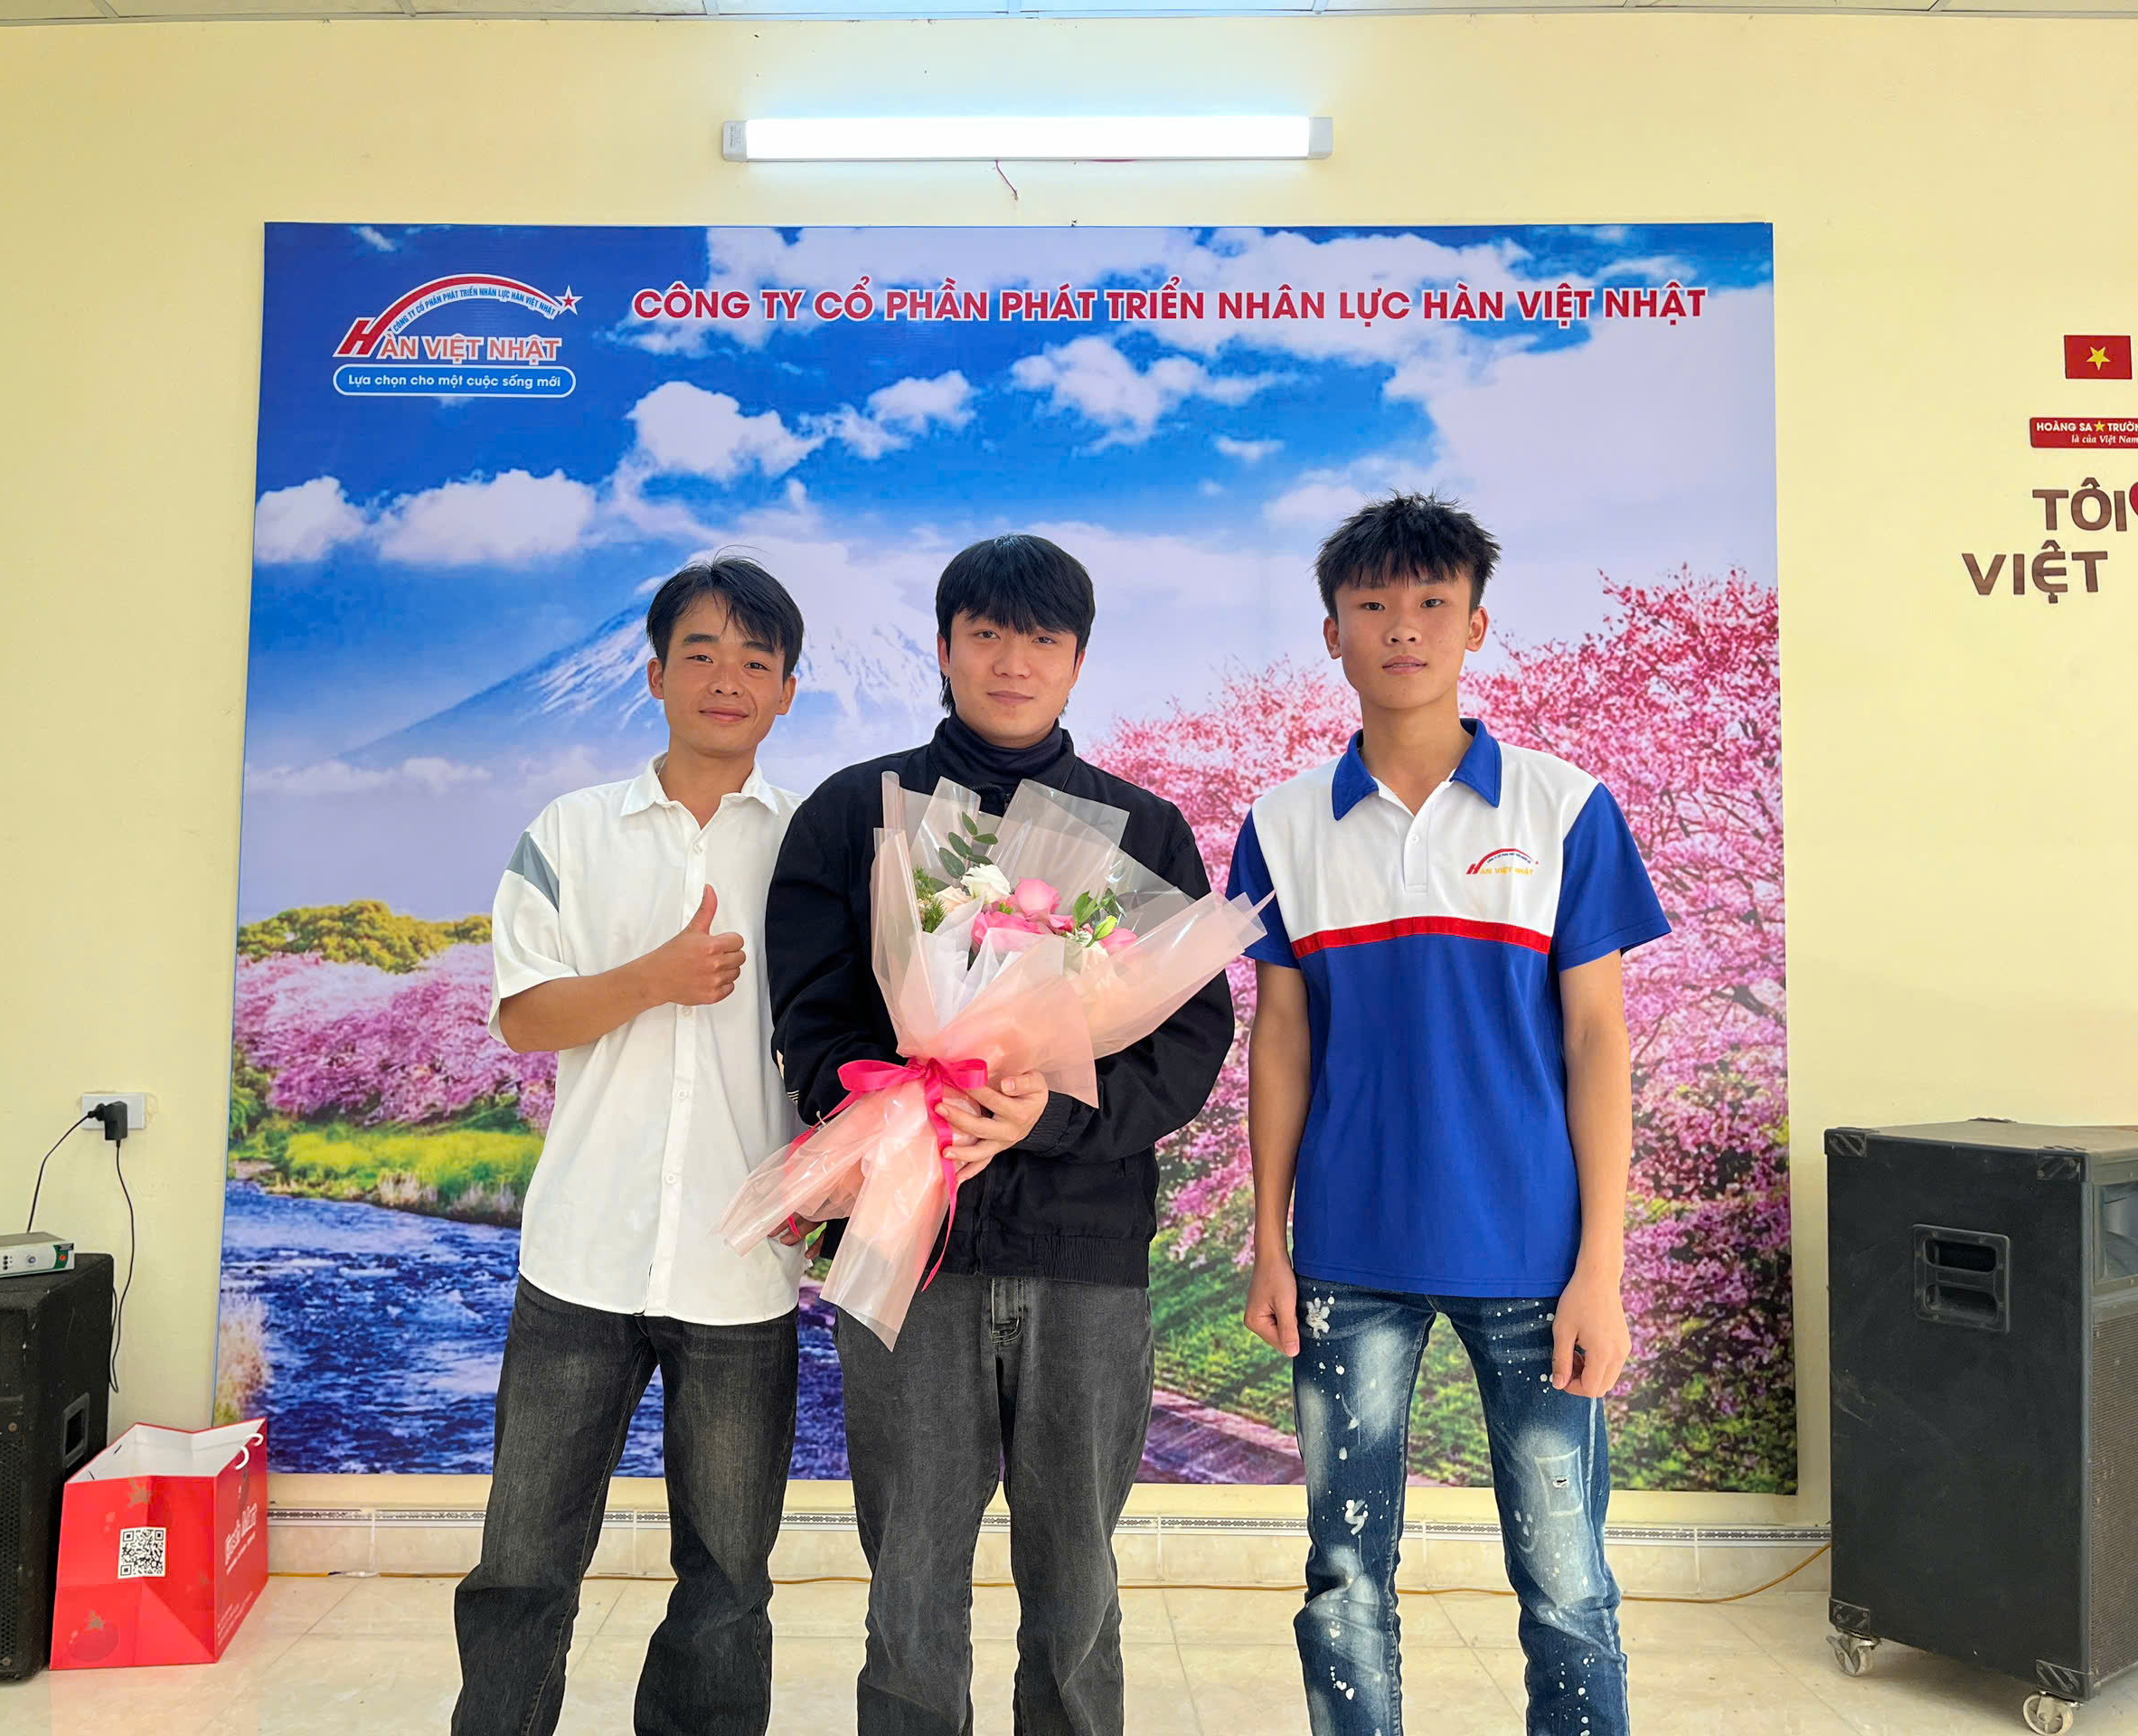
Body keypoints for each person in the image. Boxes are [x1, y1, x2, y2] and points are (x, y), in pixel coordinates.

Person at [767, 533, 1236, 1736]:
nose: (1012, 661)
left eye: (1042, 639)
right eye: (986, 634)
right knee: (911, 1582)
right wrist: (912, 1096)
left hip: (1086, 1255)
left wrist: (1049, 1112)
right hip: (910, 1251)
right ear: (944, 648)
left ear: (1078, 661)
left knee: (1076, 1586)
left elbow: (1188, 1043)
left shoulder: (1142, 830)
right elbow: (810, 1022)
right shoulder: (853, 814)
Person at [1229, 494, 1671, 1736]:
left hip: (1535, 1257)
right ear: (1332, 632)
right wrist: (1270, 1240)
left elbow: (1598, 1042)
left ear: (1476, 626)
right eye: (1373, 605)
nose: (1403, 629)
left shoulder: (1563, 808)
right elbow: (1280, 1038)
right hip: (1347, 1254)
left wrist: (1601, 1271)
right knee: (1343, 1576)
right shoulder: (1282, 827)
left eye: (1432, 603)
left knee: (1567, 1580)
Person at [452, 557, 808, 1736]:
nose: (726, 679)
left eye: (755, 660)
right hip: (582, 1257)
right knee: (523, 1563)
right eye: (700, 653)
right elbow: (522, 1016)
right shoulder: (569, 832)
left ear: (787, 692)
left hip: (741, 1263)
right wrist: (654, 977)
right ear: (655, 675)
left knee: (728, 1579)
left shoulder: (812, 847)